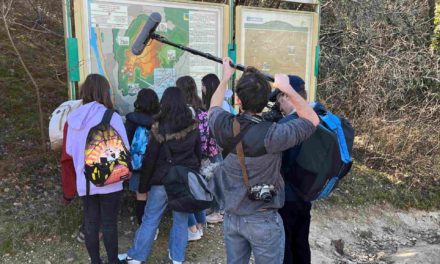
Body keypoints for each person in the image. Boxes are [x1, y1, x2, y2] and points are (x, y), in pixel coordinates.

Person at [208, 58, 319, 264]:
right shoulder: (274, 135)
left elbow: (213, 107)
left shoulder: (223, 126)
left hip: (232, 218)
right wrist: (288, 90)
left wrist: (225, 78)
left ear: (238, 101)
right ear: (266, 99)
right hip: (263, 218)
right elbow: (312, 120)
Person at [120, 87, 201, 264]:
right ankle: (177, 258)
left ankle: (136, 257)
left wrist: (144, 184)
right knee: (180, 220)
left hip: (161, 181)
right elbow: (197, 154)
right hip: (183, 180)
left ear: (164, 103)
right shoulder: (194, 126)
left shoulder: (159, 127)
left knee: (150, 219)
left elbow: (150, 159)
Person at [61, 74, 128, 264]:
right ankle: (113, 261)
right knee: (109, 223)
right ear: (104, 91)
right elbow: (125, 149)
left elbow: (69, 150)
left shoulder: (72, 119)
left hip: (85, 182)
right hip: (111, 180)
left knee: (91, 223)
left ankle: (95, 261)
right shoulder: (110, 116)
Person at [276, 75, 313, 264]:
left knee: (286, 246)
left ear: (287, 95)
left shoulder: (287, 125)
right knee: (301, 243)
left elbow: (281, 161)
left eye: (279, 99)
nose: (278, 105)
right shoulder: (313, 118)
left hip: (287, 195)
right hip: (306, 192)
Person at [176, 75, 213, 241]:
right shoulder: (202, 108)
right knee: (196, 191)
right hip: (200, 156)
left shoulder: (183, 111)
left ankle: (193, 228)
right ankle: (200, 224)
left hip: (186, 156)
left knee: (184, 193)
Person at [125, 88, 160, 225]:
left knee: (141, 194)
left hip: (137, 164)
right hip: (155, 164)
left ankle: (142, 225)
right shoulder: (159, 120)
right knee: (152, 196)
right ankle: (153, 227)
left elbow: (125, 142)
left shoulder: (131, 119)